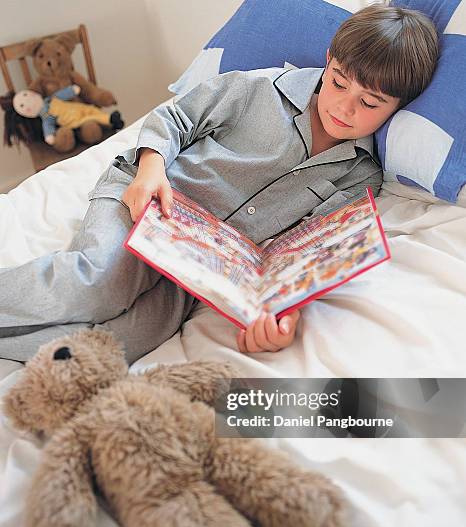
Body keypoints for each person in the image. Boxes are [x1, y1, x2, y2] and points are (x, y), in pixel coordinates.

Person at [0, 4, 439, 364]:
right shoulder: (257, 89)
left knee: (133, 337)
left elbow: (309, 252)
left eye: (369, 103)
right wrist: (149, 169)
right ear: (328, 62)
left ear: (396, 108)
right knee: (103, 284)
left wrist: (282, 312)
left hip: (203, 266)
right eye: (339, 83)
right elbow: (176, 117)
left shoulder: (360, 175)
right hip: (152, 201)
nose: (344, 107)